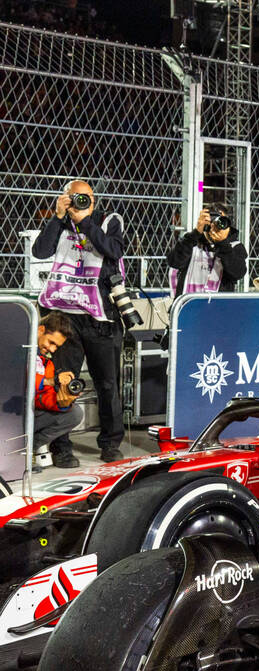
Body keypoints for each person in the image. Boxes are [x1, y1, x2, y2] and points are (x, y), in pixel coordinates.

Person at [31, 179, 126, 461]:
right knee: (62, 380)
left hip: (100, 316)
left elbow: (114, 250)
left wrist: (85, 222)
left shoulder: (108, 220)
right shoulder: (60, 221)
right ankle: (61, 448)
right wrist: (58, 217)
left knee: (108, 384)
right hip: (65, 316)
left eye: (86, 198)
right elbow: (40, 251)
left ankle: (110, 444)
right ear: (65, 198)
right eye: (75, 198)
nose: (81, 203)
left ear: (94, 200)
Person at [32, 311, 84, 469]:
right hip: (9, 414)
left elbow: (42, 398)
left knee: (74, 413)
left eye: (56, 346)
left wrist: (62, 401)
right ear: (40, 330)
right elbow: (19, 383)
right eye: (51, 342)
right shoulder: (16, 347)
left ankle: (23, 451)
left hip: (27, 413)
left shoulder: (46, 362)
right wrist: (52, 380)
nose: (53, 349)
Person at [166, 203, 248, 296]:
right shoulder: (192, 242)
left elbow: (238, 273)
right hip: (189, 306)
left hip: (219, 307)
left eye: (221, 221)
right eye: (212, 221)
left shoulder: (234, 246)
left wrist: (223, 244)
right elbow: (174, 262)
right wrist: (196, 233)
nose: (216, 226)